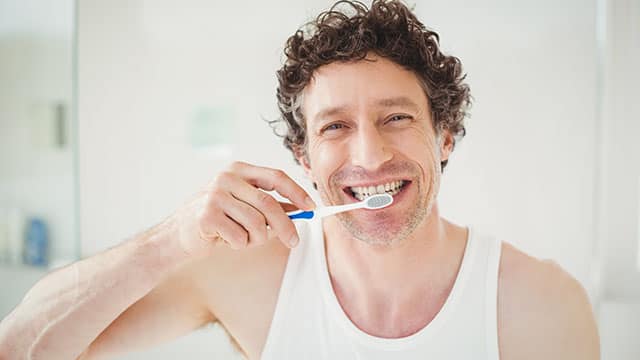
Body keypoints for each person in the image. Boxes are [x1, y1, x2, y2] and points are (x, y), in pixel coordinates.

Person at [0, 1, 599, 359]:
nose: (370, 153)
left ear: (444, 136)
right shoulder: (243, 274)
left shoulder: (541, 305)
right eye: (335, 126)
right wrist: (169, 242)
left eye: (396, 117)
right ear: (303, 158)